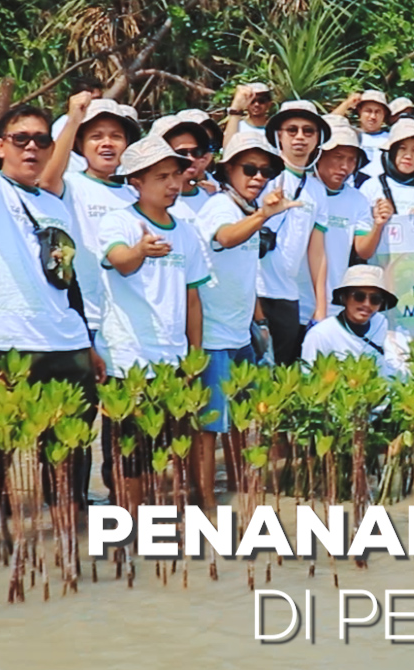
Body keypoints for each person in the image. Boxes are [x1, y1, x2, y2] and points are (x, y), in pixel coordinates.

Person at [0, 62, 100, 519]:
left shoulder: (55, 202)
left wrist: (90, 342)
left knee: (69, 467)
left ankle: (71, 564)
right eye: (21, 139)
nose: (31, 147)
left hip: (65, 343)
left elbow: (66, 276)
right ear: (1, 146)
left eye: (40, 140)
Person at [193, 130, 299, 498]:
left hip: (241, 333)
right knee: (210, 428)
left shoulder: (246, 210)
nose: (258, 178)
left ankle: (241, 492)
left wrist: (261, 321)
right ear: (229, 171)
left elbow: (244, 274)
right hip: (212, 338)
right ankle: (206, 503)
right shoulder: (220, 207)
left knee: (242, 421)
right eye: (249, 169)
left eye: (265, 172)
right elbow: (225, 238)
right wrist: (264, 217)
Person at [97, 136, 208, 376]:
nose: (173, 184)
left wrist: (194, 358)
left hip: (174, 362)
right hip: (127, 361)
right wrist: (141, 250)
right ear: (137, 183)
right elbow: (120, 262)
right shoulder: (118, 221)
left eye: (176, 175)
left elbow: (192, 300)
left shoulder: (187, 233)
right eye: (161, 177)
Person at [59, 97, 142, 371]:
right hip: (85, 319)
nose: (107, 143)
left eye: (116, 136)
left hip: (126, 323)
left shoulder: (134, 195)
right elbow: (46, 181)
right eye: (96, 136)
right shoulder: (70, 185)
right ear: (80, 145)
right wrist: (73, 119)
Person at [256, 99, 331, 365]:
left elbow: (317, 251)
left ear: (317, 139)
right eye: (292, 129)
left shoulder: (317, 190)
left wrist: (321, 307)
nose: (300, 137)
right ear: (279, 135)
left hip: (289, 296)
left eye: (308, 131)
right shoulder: (260, 175)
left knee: (283, 374)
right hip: (255, 291)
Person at [304, 120, 392, 322]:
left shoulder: (357, 200)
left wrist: (378, 225)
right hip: (294, 298)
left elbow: (364, 250)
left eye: (352, 160)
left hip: (332, 302)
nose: (345, 166)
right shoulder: (302, 190)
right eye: (338, 157)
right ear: (319, 155)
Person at [300, 265, 404, 378]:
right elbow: (309, 378)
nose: (366, 304)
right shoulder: (321, 334)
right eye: (359, 296)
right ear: (344, 298)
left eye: (375, 299)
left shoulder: (380, 323)